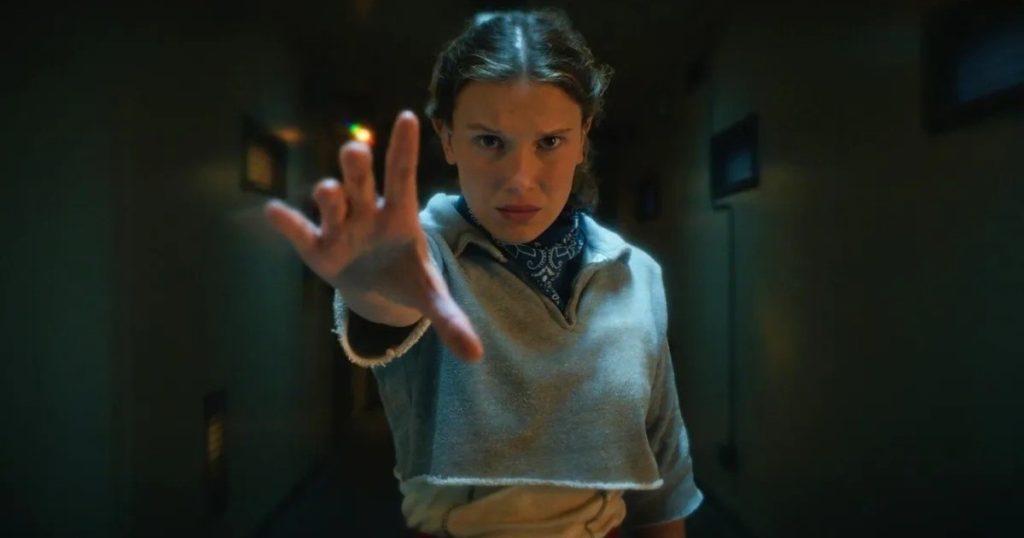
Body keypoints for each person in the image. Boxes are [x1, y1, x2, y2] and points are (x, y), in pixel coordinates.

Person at [265, 9, 702, 538]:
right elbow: (396, 302)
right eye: (490, 141)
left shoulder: (636, 274)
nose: (520, 179)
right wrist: (373, 294)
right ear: (447, 138)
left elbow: (663, 464)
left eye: (550, 142)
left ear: (583, 136)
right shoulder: (423, 251)